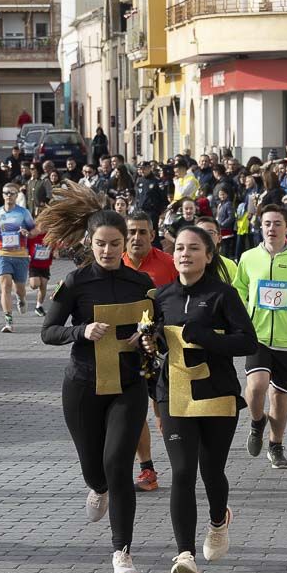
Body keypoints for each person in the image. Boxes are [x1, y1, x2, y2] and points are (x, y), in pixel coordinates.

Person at [39, 185, 155, 573]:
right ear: (90, 243)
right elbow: (48, 331)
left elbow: (154, 324)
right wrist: (81, 330)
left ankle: (122, 551)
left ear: (125, 244)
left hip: (128, 384)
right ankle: (96, 487)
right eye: (101, 244)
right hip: (83, 385)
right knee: (94, 468)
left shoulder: (139, 284)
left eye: (115, 244)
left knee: (118, 465)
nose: (107, 251)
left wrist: (147, 335)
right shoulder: (75, 282)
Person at [140, 227, 256, 573]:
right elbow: (158, 344)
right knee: (183, 470)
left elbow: (247, 341)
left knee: (211, 471)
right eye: (179, 248)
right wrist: (150, 341)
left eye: (194, 248)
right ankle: (185, 556)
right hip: (173, 394)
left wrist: (204, 336)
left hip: (217, 394)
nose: (185, 254)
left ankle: (219, 520)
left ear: (209, 255)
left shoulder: (223, 295)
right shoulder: (161, 296)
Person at [232, 204, 287, 469]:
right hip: (256, 334)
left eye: (277, 224)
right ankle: (257, 421)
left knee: (279, 395)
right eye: (267, 223)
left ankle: (276, 444)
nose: (272, 228)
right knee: (257, 386)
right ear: (261, 227)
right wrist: (243, 313)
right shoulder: (248, 258)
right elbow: (238, 289)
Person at [121, 211, 178, 493]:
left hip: (162, 348)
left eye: (142, 232)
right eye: (131, 232)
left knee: (163, 415)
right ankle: (148, 470)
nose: (136, 237)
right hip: (124, 349)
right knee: (134, 412)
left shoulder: (168, 264)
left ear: (152, 235)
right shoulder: (114, 262)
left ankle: (183, 463)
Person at [0, 182, 36, 332]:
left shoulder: (23, 213)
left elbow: (35, 229)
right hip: (2, 254)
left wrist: (29, 234)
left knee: (19, 288)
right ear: (2, 195)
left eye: (12, 193)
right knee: (5, 285)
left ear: (17, 195)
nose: (9, 196)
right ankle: (8, 321)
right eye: (6, 193)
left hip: (21, 255)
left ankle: (21, 299)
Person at [26, 230, 53, 316]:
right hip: (34, 265)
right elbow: (25, 245)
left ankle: (39, 306)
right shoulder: (32, 235)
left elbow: (55, 245)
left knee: (43, 285)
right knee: (35, 285)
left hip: (45, 264)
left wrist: (55, 249)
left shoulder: (50, 235)